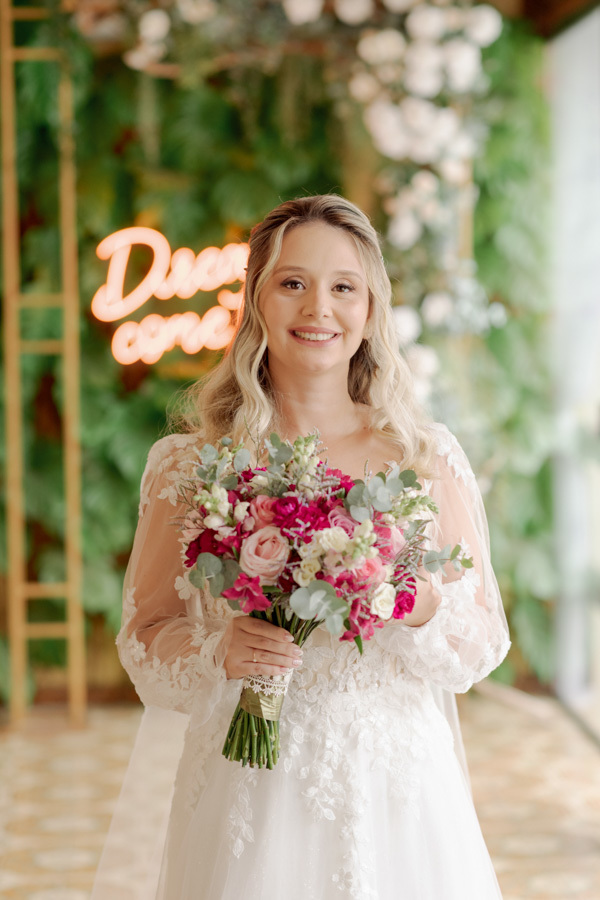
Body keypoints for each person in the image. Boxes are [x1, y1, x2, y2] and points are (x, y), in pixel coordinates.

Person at [109, 195, 510, 899]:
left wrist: (414, 600)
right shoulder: (191, 463)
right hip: (249, 789)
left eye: (343, 287)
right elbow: (144, 638)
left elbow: (478, 644)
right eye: (292, 282)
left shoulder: (419, 457)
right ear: (257, 301)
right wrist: (216, 651)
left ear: (370, 310)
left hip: (396, 792)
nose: (318, 308)